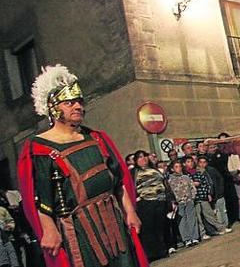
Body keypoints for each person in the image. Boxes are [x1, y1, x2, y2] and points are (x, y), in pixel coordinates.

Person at [17, 64, 148, 267]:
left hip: (114, 221)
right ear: (52, 107)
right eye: (69, 103)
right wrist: (49, 229)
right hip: (78, 231)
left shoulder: (96, 138)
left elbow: (119, 181)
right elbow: (40, 199)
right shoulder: (39, 149)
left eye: (79, 101)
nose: (78, 106)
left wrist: (130, 212)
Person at [131, 150, 176, 260]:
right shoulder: (134, 172)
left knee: (159, 227)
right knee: (148, 228)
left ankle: (162, 250)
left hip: (160, 202)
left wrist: (171, 200)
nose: (143, 159)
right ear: (136, 161)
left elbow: (165, 184)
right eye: (140, 157)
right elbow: (131, 186)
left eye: (145, 156)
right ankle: (151, 254)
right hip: (145, 203)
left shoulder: (155, 169)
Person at [183, 157, 226, 239]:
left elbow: (205, 183)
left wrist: (208, 194)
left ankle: (221, 228)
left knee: (209, 214)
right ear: (184, 164)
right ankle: (202, 234)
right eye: (188, 162)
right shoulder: (185, 175)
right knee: (198, 217)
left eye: (192, 161)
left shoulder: (199, 172)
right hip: (194, 198)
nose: (191, 163)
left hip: (203, 196)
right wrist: (192, 184)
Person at [205, 136, 240, 228]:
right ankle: (225, 221)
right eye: (211, 148)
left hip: (226, 180)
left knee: (231, 199)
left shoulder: (221, 154)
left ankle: (234, 217)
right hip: (216, 183)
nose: (213, 149)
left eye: (214, 147)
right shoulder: (206, 159)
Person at [168, 161, 199, 247]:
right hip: (179, 203)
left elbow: (192, 187)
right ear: (172, 169)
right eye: (176, 167)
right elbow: (170, 192)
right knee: (182, 221)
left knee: (192, 219)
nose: (179, 168)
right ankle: (186, 239)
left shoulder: (186, 177)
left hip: (189, 201)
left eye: (180, 166)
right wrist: (173, 202)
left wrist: (192, 197)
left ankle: (194, 237)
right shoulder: (170, 180)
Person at [197, 157, 229, 231]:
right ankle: (219, 227)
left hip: (218, 194)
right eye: (200, 162)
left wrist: (220, 191)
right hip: (207, 196)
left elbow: (220, 179)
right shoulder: (198, 172)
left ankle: (225, 225)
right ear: (198, 163)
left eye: (204, 162)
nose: (202, 164)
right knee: (214, 213)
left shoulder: (212, 170)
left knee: (222, 211)